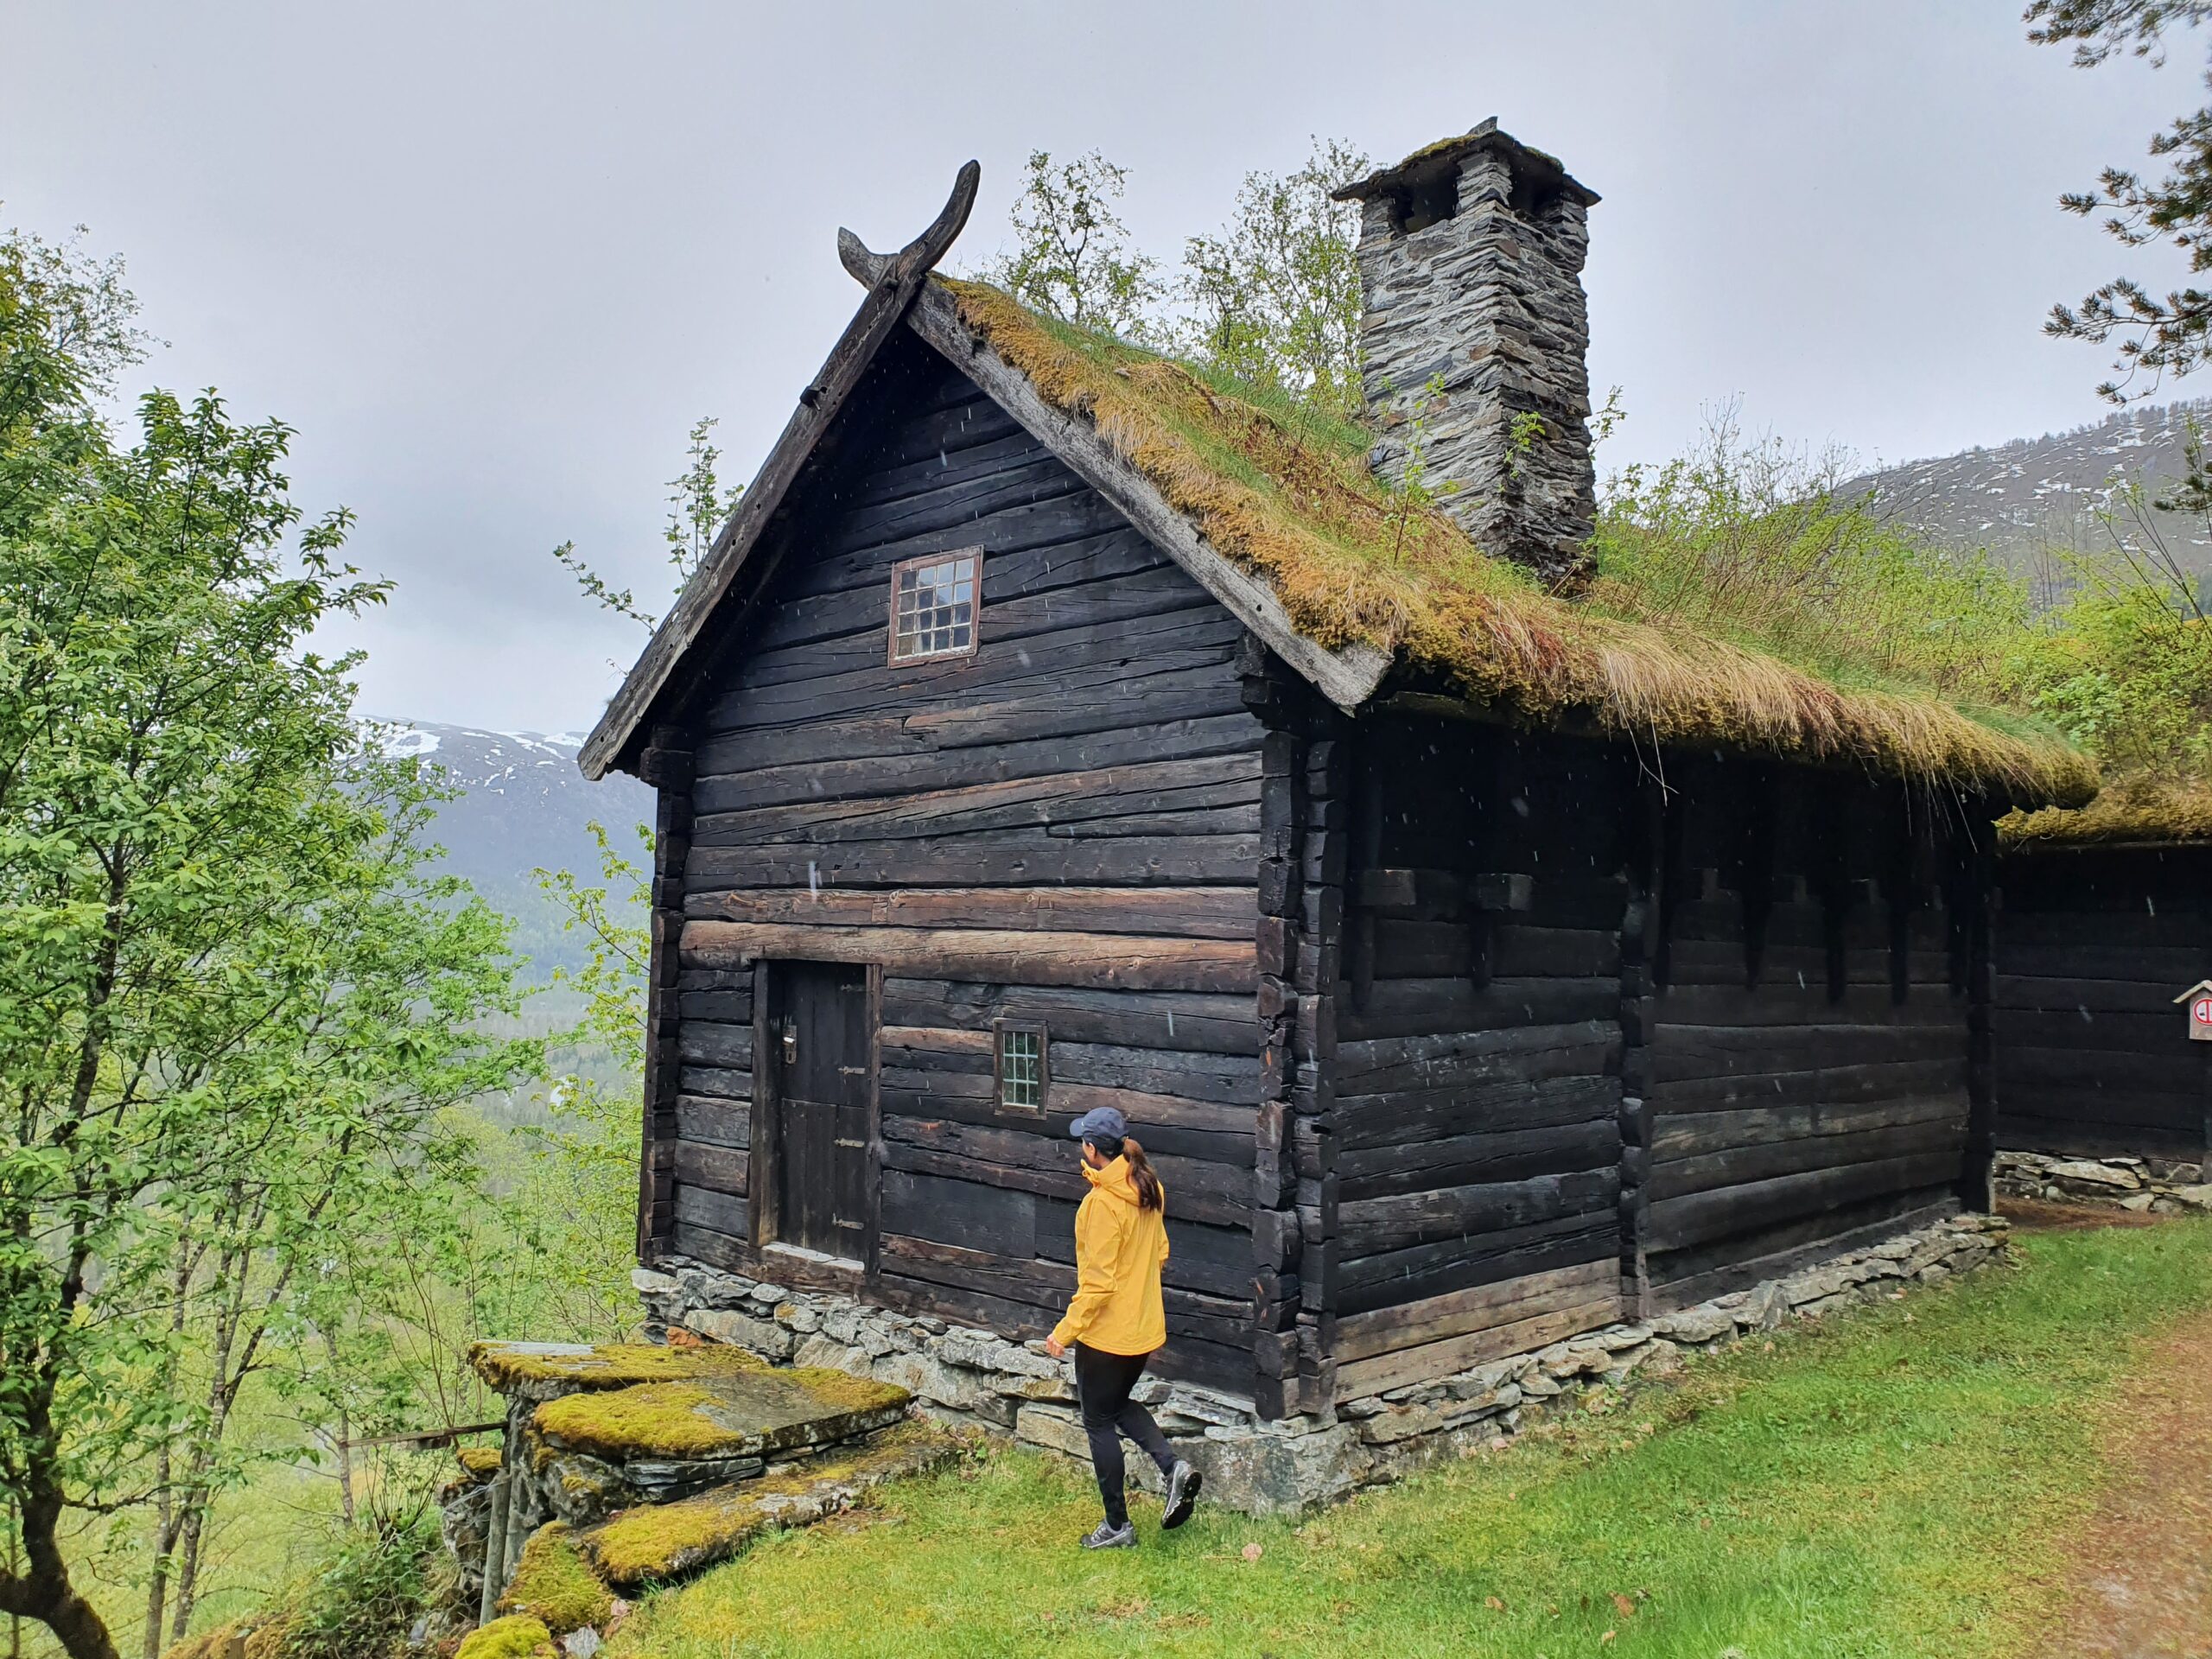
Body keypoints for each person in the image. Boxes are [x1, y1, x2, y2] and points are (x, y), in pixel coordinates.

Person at [1043, 1104, 1203, 1549]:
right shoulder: (1149, 1188)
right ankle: (1173, 1468)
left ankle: (1117, 1527)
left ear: (1092, 1149)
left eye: (1083, 1142)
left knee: (1097, 1421)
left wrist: (1065, 1331)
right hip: (1143, 1329)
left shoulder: (1101, 1204)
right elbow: (1160, 1252)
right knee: (1115, 1406)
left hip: (1106, 1335)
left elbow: (1097, 1284)